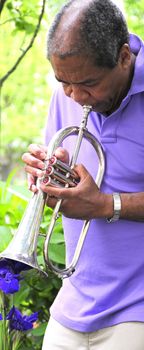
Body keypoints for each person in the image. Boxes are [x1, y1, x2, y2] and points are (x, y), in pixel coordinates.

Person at [22, 0, 144, 349]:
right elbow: (68, 181)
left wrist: (106, 205)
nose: (75, 97)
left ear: (123, 58)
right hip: (73, 301)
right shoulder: (72, 88)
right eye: (63, 82)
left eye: (88, 84)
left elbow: (98, 203)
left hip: (137, 307)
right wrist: (47, 180)